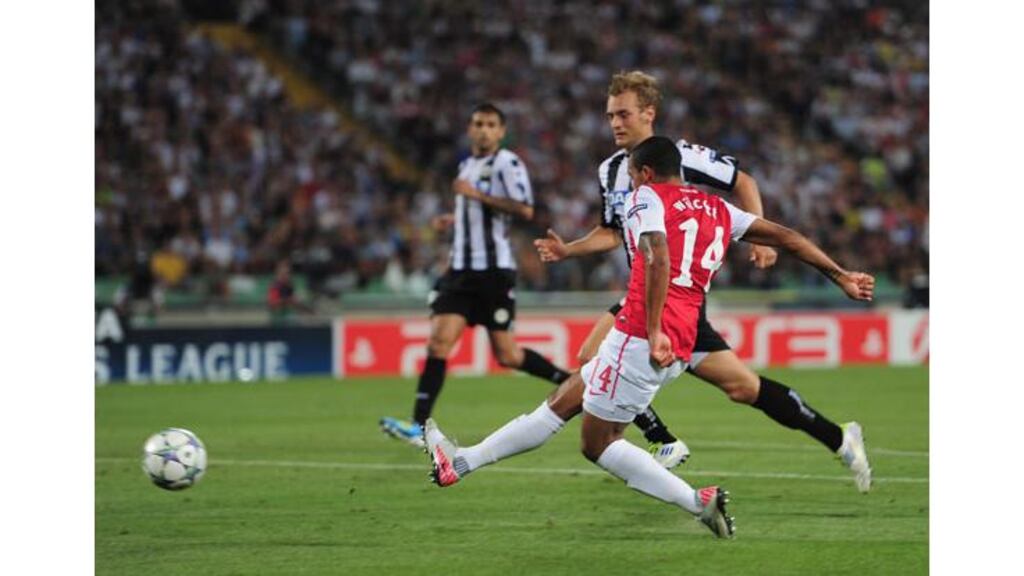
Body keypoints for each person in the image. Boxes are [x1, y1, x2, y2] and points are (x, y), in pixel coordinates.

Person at [425, 136, 876, 538]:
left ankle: (697, 502)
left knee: (596, 443)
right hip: (682, 334)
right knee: (567, 397)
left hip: (643, 332)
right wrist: (840, 275)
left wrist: (654, 328)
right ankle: (460, 462)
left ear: (643, 173)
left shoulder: (645, 199)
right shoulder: (718, 208)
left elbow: (657, 254)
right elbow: (787, 236)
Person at [534, 71, 869, 491]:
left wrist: (762, 241)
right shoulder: (610, 171)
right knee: (744, 388)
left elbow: (742, 181)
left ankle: (663, 440)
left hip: (676, 297)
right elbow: (612, 232)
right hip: (647, 295)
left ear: (648, 114)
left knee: (591, 357)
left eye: (624, 114)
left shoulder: (681, 157)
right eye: (609, 116)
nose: (615, 123)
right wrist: (570, 248)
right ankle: (838, 438)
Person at [380, 103, 572, 447]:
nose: (483, 129)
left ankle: (573, 383)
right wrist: (452, 219)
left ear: (501, 132)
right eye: (478, 123)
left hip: (493, 273)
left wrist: (477, 196)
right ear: (470, 130)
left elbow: (524, 208)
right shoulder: (466, 165)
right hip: (459, 271)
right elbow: (475, 211)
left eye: (491, 124)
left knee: (508, 355)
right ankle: (419, 426)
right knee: (439, 342)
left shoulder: (507, 163)